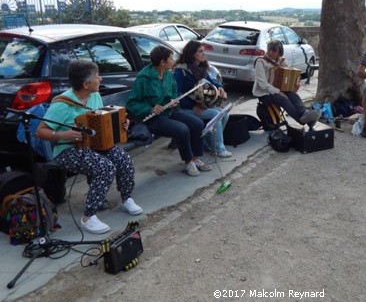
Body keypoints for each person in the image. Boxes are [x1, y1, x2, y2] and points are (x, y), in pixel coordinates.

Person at [35, 60, 142, 235]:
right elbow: (40, 132)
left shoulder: (94, 95)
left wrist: (122, 123)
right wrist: (63, 134)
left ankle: (126, 198)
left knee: (123, 158)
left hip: (94, 145)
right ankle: (88, 217)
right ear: (86, 84)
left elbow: (101, 119)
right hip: (68, 149)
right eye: (97, 76)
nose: (100, 79)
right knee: (104, 167)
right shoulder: (62, 104)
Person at [126, 45, 208, 176]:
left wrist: (174, 100)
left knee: (197, 123)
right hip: (154, 118)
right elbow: (131, 103)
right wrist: (150, 108)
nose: (173, 61)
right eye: (170, 59)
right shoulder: (144, 79)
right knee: (182, 129)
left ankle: (196, 158)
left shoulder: (169, 75)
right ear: (162, 62)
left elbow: (174, 92)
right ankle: (188, 162)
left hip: (170, 112)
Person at [174, 40, 232, 157]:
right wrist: (192, 106)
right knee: (216, 114)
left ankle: (209, 143)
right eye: (200, 52)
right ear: (192, 53)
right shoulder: (181, 71)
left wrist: (220, 87)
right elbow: (176, 94)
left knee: (225, 114)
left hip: (200, 105)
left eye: (203, 51)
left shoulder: (200, 67)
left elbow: (210, 80)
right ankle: (218, 148)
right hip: (185, 107)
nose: (203, 54)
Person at [253, 39, 321, 126]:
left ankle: (304, 113)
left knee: (294, 96)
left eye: (274, 51)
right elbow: (262, 84)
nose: (270, 52)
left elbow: (291, 74)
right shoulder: (261, 62)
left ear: (279, 53)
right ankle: (302, 120)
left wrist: (295, 84)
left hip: (280, 89)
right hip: (264, 93)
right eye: (269, 49)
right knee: (283, 99)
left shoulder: (282, 61)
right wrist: (278, 92)